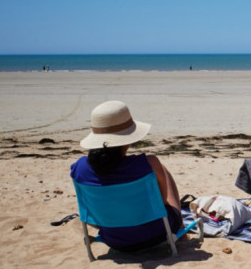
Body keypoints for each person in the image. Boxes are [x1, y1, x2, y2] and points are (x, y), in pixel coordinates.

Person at [70, 100, 184, 251]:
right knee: (162, 171)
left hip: (114, 238)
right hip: (157, 233)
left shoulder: (79, 168)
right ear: (127, 139)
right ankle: (181, 228)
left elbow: (89, 216)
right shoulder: (148, 163)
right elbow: (162, 201)